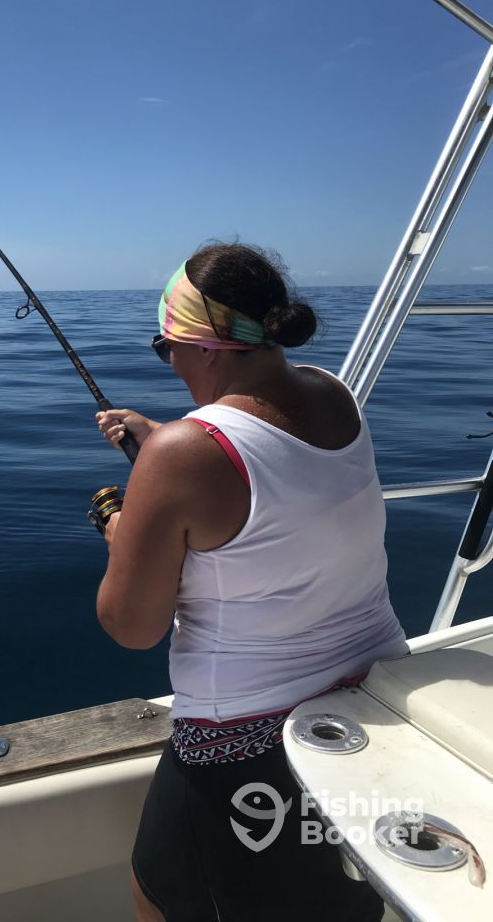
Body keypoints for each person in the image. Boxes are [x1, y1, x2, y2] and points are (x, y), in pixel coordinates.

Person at [95, 243, 407, 922]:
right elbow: (273, 474)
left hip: (246, 739)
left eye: (166, 347)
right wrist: (164, 441)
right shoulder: (333, 393)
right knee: (337, 900)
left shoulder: (182, 452)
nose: (170, 362)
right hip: (374, 697)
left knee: (161, 894)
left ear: (206, 348)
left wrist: (124, 533)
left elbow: (132, 626)